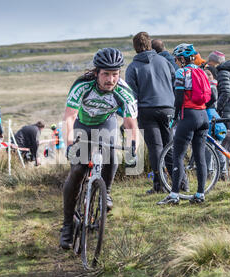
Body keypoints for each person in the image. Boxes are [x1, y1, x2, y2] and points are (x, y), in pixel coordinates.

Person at [59, 48, 138, 250]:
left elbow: (130, 123)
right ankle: (67, 225)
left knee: (112, 152)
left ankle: (107, 191)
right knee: (78, 169)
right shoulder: (82, 84)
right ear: (96, 73)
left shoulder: (124, 90)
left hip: (106, 123)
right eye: (106, 74)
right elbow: (69, 116)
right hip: (82, 124)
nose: (110, 79)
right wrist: (69, 143)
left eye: (115, 74)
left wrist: (132, 147)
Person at [158, 44, 210, 205]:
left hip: (189, 115)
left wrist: (174, 117)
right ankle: (200, 194)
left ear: (182, 59)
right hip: (203, 116)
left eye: (176, 59)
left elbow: (179, 98)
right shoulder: (202, 71)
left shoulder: (182, 72)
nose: (176, 61)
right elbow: (212, 96)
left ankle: (174, 195)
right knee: (200, 156)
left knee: (178, 156)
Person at [126, 32, 175, 194]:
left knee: (155, 148)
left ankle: (160, 184)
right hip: (168, 107)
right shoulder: (165, 62)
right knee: (170, 145)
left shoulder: (133, 67)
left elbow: (131, 95)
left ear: (135, 47)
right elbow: (175, 82)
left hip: (146, 110)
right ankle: (180, 182)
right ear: (149, 44)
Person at [204, 66, 227, 181]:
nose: (207, 76)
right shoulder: (210, 86)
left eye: (209, 74)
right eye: (205, 74)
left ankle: (214, 172)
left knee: (213, 147)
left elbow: (212, 100)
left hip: (212, 119)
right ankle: (220, 172)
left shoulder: (212, 87)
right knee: (215, 147)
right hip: (212, 118)